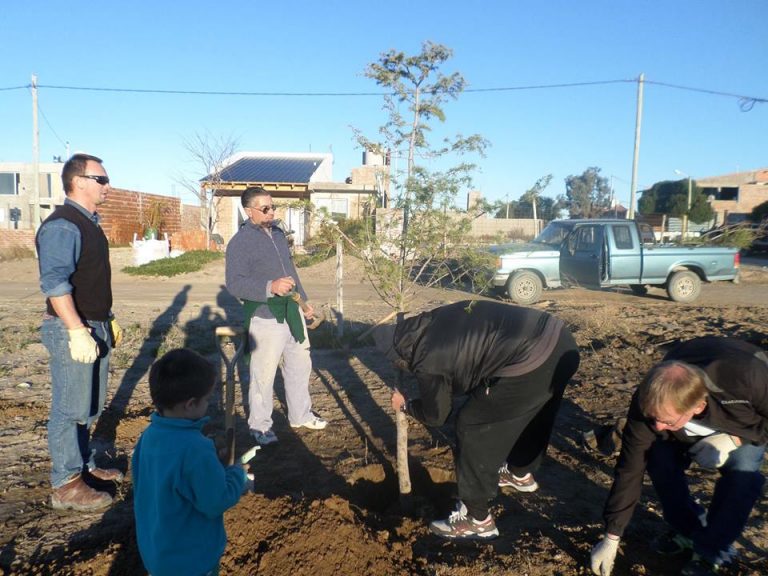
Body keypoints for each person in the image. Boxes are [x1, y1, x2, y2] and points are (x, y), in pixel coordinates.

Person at [379, 300, 580, 541]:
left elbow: (436, 416)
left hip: (531, 356)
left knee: (471, 424)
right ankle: (520, 473)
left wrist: (405, 405)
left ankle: (477, 519)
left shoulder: (427, 359)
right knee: (536, 408)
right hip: (562, 341)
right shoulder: (433, 318)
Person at [590, 337, 768, 576]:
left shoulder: (749, 379)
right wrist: (612, 536)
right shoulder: (648, 403)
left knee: (742, 473)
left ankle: (710, 551)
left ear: (697, 406)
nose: (658, 426)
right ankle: (688, 529)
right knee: (658, 460)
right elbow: (629, 469)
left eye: (666, 421)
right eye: (654, 418)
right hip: (685, 425)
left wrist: (736, 440)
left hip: (743, 425)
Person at [36, 153, 124, 511]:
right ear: (79, 181)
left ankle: (84, 465)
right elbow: (55, 283)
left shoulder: (89, 223)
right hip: (72, 328)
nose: (107, 185)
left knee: (88, 407)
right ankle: (66, 483)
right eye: (101, 179)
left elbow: (88, 279)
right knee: (69, 408)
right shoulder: (63, 225)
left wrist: (107, 318)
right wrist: (75, 329)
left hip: (95, 324)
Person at [225, 186, 326, 445]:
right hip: (264, 317)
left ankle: (300, 415)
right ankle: (260, 427)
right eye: (265, 208)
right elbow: (235, 284)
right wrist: (270, 287)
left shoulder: (279, 235)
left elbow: (290, 270)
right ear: (249, 211)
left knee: (299, 367)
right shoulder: (240, 243)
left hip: (292, 312)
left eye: (273, 206)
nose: (272, 212)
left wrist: (304, 304)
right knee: (263, 375)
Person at [132, 348, 247, 576]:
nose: (208, 405)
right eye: (206, 400)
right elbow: (216, 501)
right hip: (192, 560)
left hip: (158, 554)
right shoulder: (196, 448)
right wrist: (237, 475)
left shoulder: (149, 436)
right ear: (191, 404)